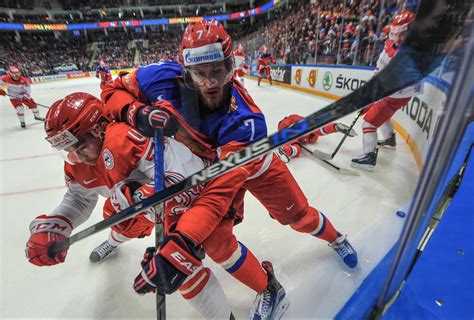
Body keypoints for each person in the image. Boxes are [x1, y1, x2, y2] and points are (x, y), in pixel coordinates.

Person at [102, 20, 358, 318]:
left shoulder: (246, 121)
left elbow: (218, 192)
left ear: (231, 67)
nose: (210, 83)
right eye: (200, 73)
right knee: (216, 242)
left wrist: (183, 240)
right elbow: (112, 89)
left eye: (218, 72)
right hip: (206, 168)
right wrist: (136, 111)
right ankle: (270, 288)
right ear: (185, 71)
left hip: (250, 167)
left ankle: (336, 237)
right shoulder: (158, 77)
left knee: (297, 216)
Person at [28, 92, 288, 319]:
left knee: (196, 256)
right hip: (146, 206)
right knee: (124, 224)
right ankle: (115, 241)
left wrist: (143, 196)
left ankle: (265, 288)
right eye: (69, 150)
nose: (75, 157)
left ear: (98, 130)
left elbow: (185, 179)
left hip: (194, 196)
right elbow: (79, 197)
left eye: (80, 147)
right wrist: (60, 222)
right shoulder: (78, 161)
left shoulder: (125, 139)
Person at [351, 11, 420, 171]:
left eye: (400, 34)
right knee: (380, 114)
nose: (396, 37)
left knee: (369, 122)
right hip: (394, 92)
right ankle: (389, 139)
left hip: (397, 93)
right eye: (394, 33)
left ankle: (369, 157)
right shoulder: (393, 43)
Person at [276, 114, 356, 162]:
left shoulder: (283, 125)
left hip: (288, 128)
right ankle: (335, 126)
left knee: (297, 146)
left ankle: (284, 150)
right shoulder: (292, 117)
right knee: (317, 129)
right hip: (296, 125)